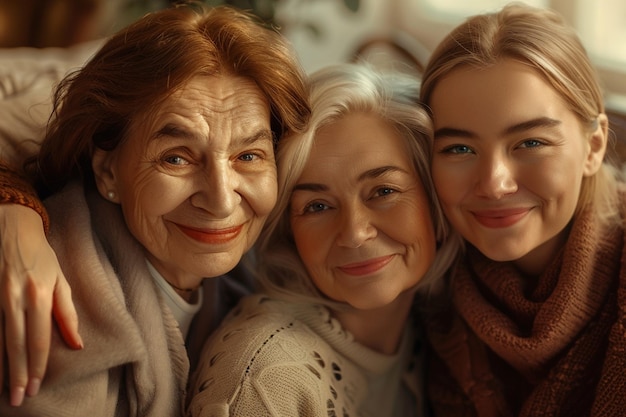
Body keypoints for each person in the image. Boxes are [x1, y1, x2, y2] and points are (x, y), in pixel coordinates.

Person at [0, 3, 310, 415]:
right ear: (108, 171)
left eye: (249, 156)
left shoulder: (266, 266)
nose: (221, 200)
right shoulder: (63, 314)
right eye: (176, 158)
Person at [185, 63, 461, 416]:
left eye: (383, 191)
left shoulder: (437, 334)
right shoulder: (264, 380)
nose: (354, 233)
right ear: (288, 230)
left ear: (435, 201)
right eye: (317, 206)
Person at [418, 3, 626, 416]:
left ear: (594, 145)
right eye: (459, 149)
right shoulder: (426, 288)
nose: (495, 184)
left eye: (530, 143)